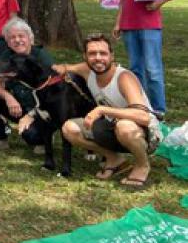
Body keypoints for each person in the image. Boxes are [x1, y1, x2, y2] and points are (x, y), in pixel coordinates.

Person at [61, 34, 163, 189]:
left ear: (111, 56)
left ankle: (142, 165)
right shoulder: (88, 71)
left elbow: (143, 117)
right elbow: (64, 68)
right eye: (92, 54)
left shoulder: (124, 77)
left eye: (103, 53)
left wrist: (102, 109)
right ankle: (114, 158)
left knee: (125, 127)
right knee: (69, 129)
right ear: (85, 57)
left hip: (145, 133)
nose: (98, 58)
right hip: (111, 128)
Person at [112, 0, 183, 117]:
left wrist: (159, 3)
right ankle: (140, 106)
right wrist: (118, 22)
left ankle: (159, 109)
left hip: (149, 25)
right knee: (135, 69)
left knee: (153, 68)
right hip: (129, 26)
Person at [0, 18, 55, 152]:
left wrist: (30, 115)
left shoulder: (42, 58)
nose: (17, 40)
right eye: (12, 37)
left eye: (21, 36)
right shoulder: (8, 55)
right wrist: (8, 97)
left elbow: (50, 97)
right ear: (7, 42)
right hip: (19, 105)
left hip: (41, 111)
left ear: (30, 38)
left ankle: (44, 138)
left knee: (31, 136)